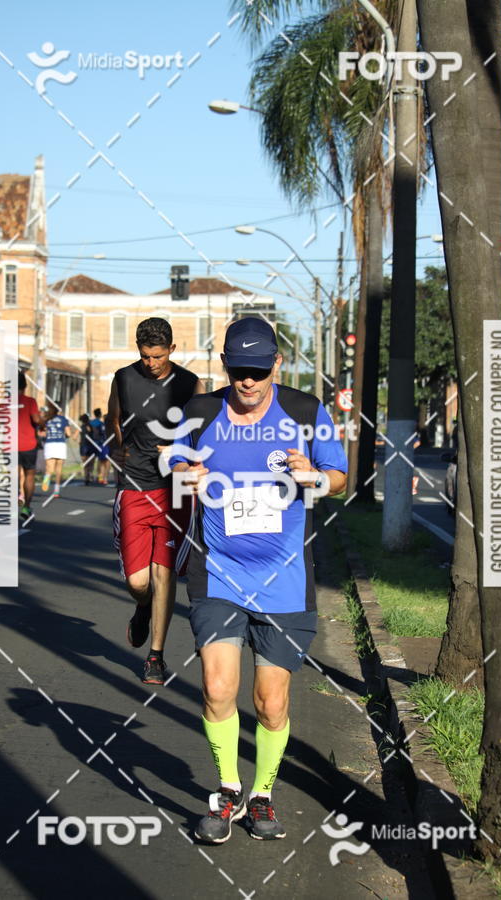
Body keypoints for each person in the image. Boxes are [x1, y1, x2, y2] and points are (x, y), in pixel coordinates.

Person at [168, 317, 347, 843]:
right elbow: (173, 462)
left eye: (257, 369)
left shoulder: (305, 412)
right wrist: (186, 475)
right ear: (224, 365)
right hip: (217, 573)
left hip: (285, 581)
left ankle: (262, 795)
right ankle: (226, 792)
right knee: (218, 686)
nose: (247, 381)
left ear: (276, 362)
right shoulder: (201, 413)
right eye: (238, 370)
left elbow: (338, 475)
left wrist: (315, 477)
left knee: (271, 702)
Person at [107, 317, 204, 685]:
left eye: (158, 356)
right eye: (146, 356)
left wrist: (181, 448)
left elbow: (202, 429)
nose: (151, 363)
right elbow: (113, 419)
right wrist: (117, 447)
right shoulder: (123, 377)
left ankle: (156, 656)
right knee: (137, 580)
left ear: (172, 350)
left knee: (163, 572)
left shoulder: (189, 384)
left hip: (172, 489)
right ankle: (142, 606)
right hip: (133, 486)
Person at [18, 371, 50, 519]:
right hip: (28, 445)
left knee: (13, 475)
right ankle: (26, 508)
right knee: (29, 476)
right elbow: (37, 419)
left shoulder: (5, 402)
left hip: (9, 445)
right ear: (25, 386)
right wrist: (43, 424)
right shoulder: (30, 401)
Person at [40, 402, 71, 497]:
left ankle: (47, 477)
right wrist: (64, 435)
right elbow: (68, 433)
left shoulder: (46, 419)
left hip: (49, 444)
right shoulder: (63, 419)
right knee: (59, 469)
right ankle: (56, 491)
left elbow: (42, 433)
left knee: (49, 467)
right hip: (60, 444)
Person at [90, 407, 110, 484]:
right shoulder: (101, 424)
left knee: (95, 461)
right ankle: (104, 478)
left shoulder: (91, 423)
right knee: (105, 461)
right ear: (100, 414)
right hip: (102, 444)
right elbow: (104, 434)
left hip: (92, 443)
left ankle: (94, 476)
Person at [79, 414, 94, 484]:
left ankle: (86, 476)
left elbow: (75, 436)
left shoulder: (81, 427)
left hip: (83, 446)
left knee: (85, 462)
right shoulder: (90, 426)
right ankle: (89, 474)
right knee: (90, 462)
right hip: (89, 445)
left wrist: (79, 441)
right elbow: (93, 434)